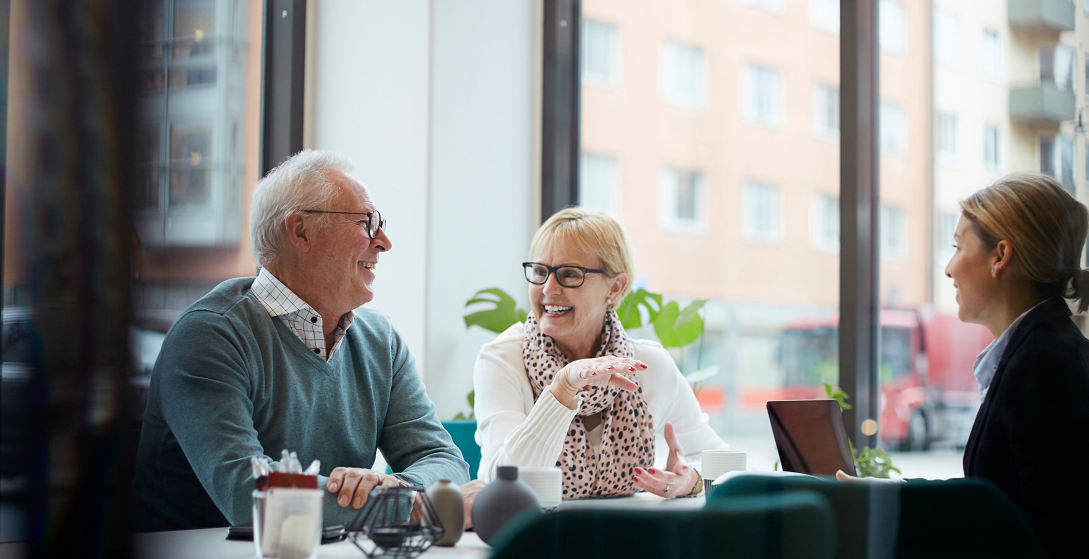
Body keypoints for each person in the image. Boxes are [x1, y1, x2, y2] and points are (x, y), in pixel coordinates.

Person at [132, 151, 469, 532]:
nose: (385, 242)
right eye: (367, 222)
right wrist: (410, 507)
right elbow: (251, 498)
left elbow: (443, 459)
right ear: (301, 231)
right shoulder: (209, 335)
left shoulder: (380, 340)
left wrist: (397, 489)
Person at [470, 207, 727, 505]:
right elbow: (504, 482)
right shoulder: (502, 359)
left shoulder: (648, 366)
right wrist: (562, 390)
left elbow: (725, 463)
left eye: (569, 274)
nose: (548, 289)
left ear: (615, 288)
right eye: (540, 272)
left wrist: (691, 479)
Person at [939, 173, 1089, 557]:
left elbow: (1050, 536)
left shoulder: (1042, 367)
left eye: (958, 246)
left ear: (1000, 256)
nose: (949, 268)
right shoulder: (1054, 352)